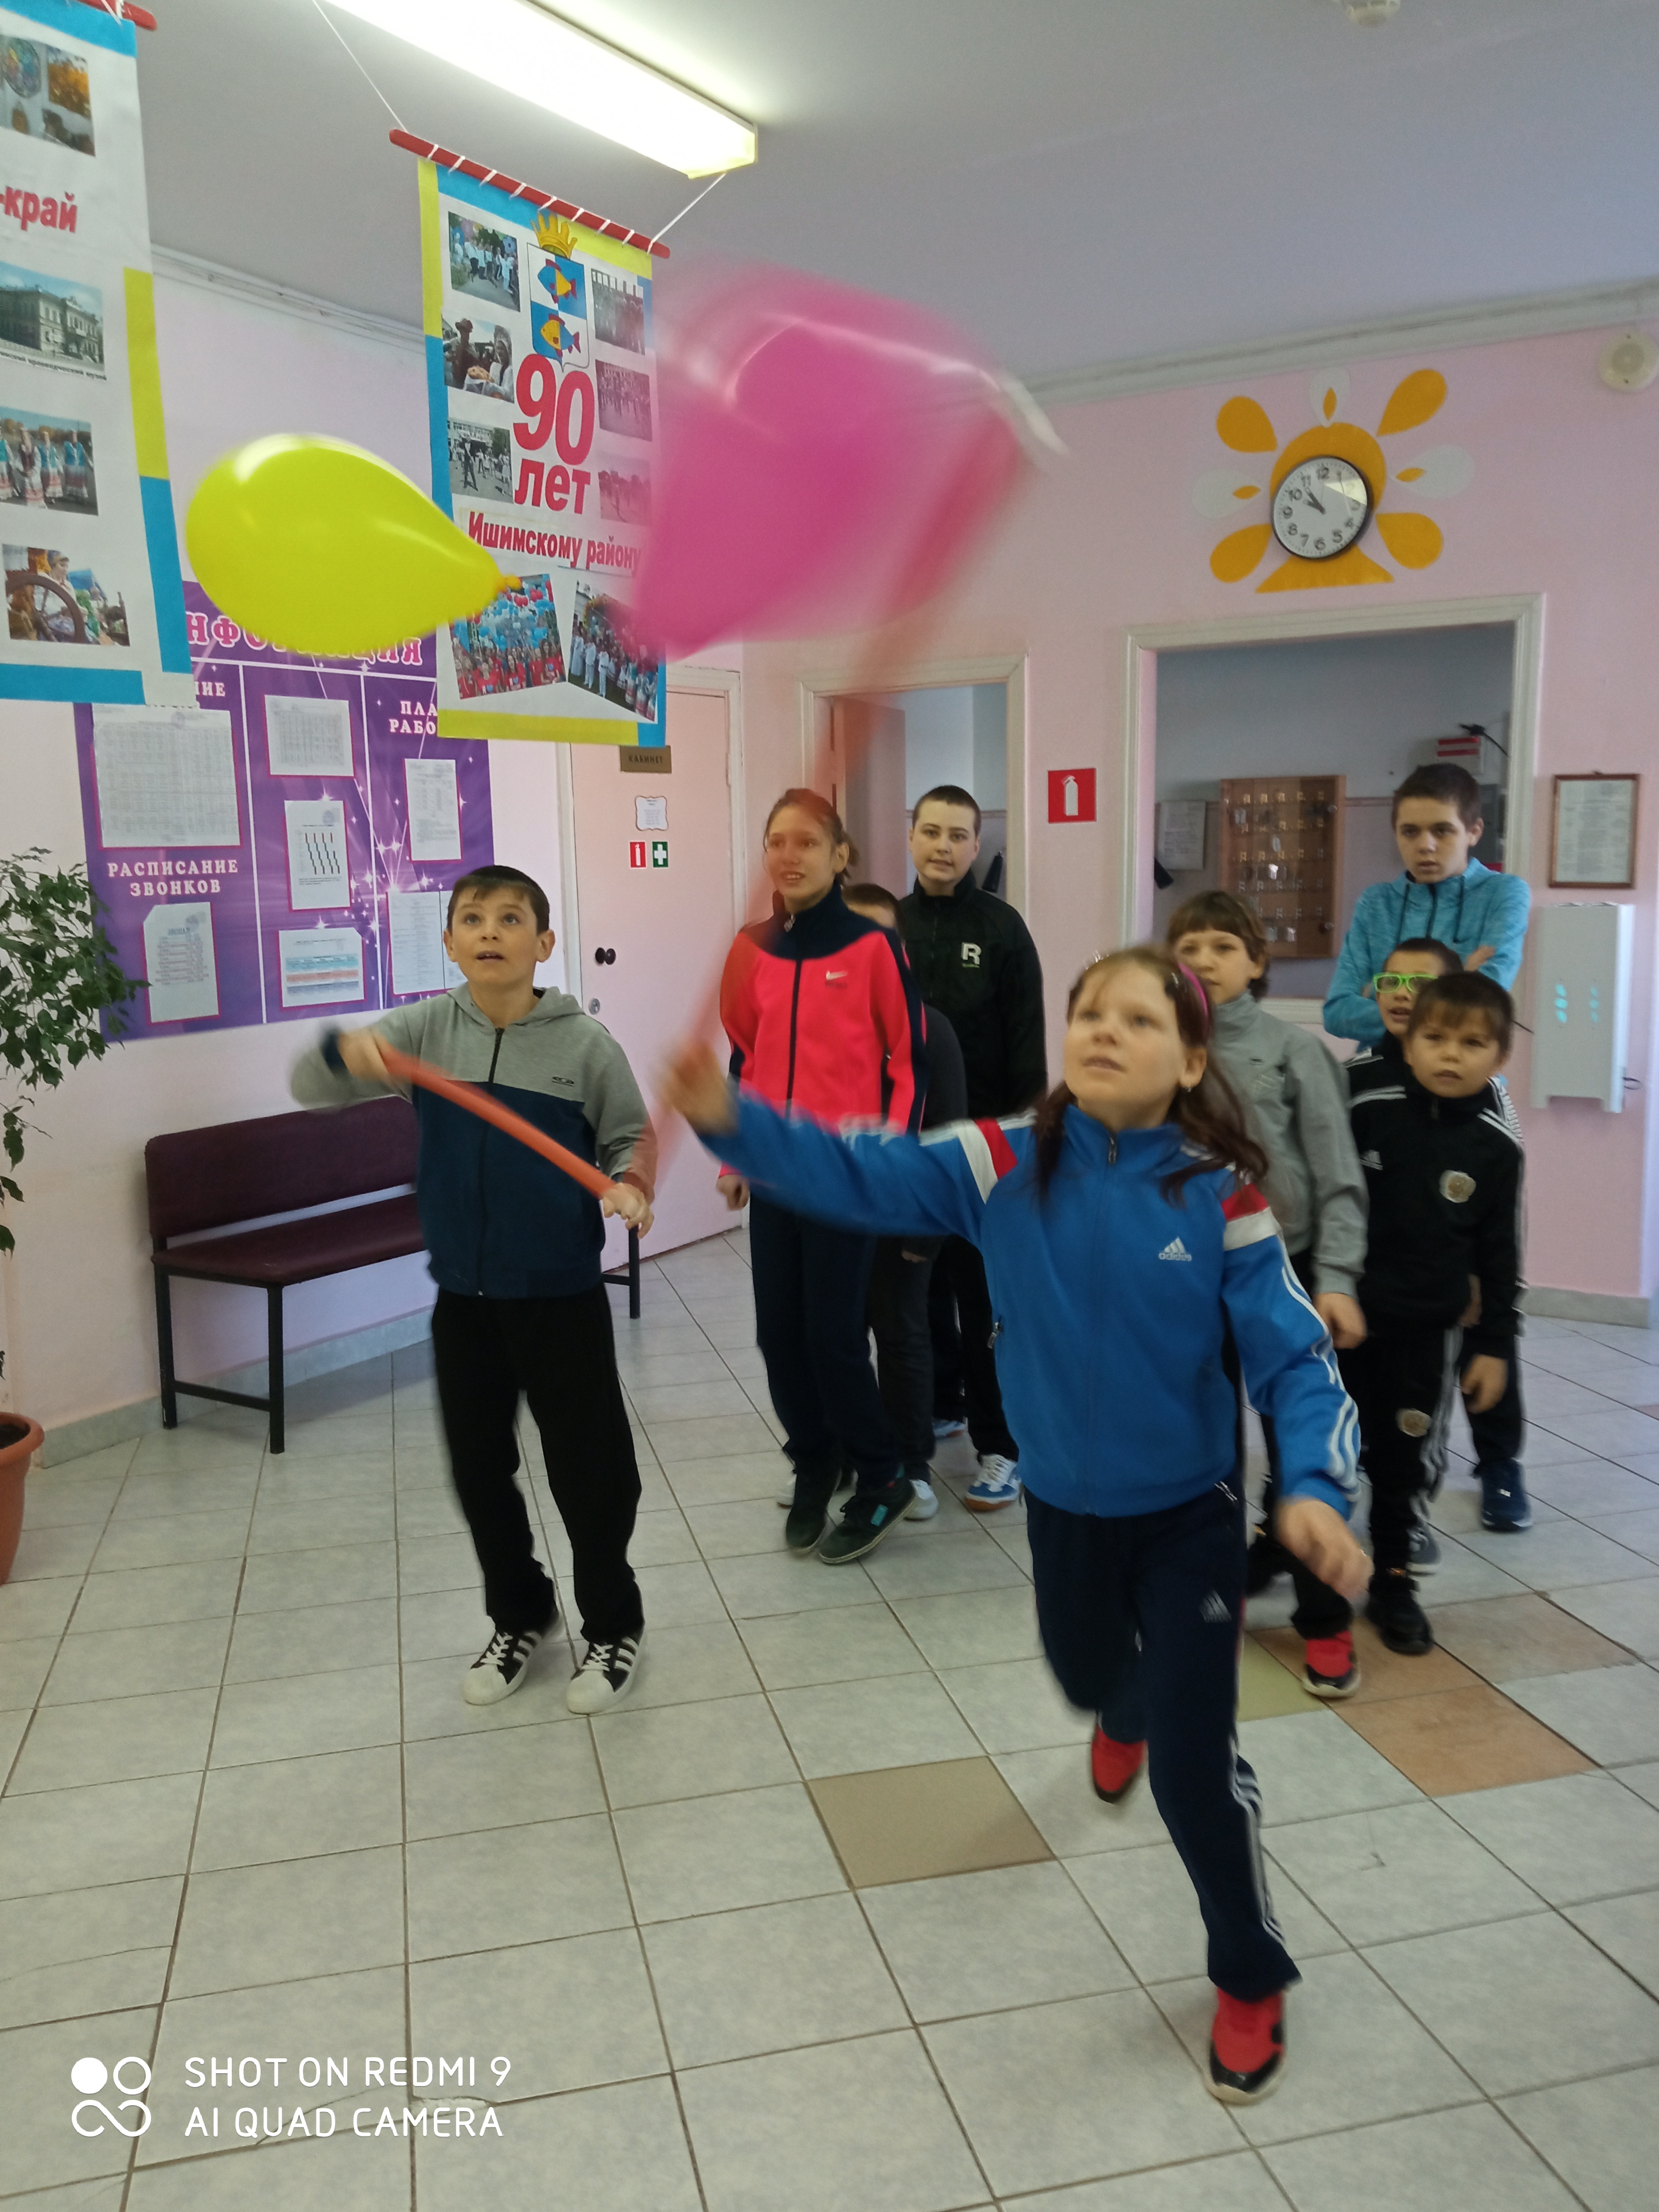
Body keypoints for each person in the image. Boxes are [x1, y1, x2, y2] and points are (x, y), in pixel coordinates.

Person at [663, 944, 1367, 2106]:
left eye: (1138, 1020)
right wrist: (736, 1123)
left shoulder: (1221, 1193)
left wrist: (1315, 1491)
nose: (1104, 1031)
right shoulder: (996, 1161)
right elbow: (862, 1171)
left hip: (1190, 1518)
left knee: (1198, 1772)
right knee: (1089, 1676)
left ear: (1192, 1060)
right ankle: (1126, 1708)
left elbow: (1297, 1362)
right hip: (1065, 1510)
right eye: (1090, 1013)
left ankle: (1249, 1970)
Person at [290, 864, 657, 1712]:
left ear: (544, 942)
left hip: (560, 1295)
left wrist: (630, 1182)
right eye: (473, 919)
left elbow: (629, 1136)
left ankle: (613, 1626)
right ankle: (521, 1612)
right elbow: (313, 1088)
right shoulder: (423, 1030)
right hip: (465, 1297)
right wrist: (341, 1054)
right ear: (451, 943)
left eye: (511, 918)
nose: (491, 931)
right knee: (479, 1473)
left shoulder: (584, 1045)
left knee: (591, 1475)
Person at [717, 791, 927, 1563]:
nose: (789, 855)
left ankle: (882, 1474)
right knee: (778, 1334)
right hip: (777, 1172)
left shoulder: (875, 946)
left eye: (807, 842)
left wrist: (891, 1157)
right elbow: (745, 1056)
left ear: (841, 855)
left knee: (833, 1335)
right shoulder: (751, 948)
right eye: (777, 841)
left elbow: (908, 1060)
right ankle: (814, 1462)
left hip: (847, 1172)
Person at [1169, 892, 1369, 1697]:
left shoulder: (1295, 1051)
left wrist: (1337, 1279)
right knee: (1207, 1452)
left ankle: (1325, 1618)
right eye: (1190, 946)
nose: (1205, 960)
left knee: (1299, 1448)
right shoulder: (1164, 1050)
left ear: (1257, 961)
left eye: (1224, 945)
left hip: (1288, 1271)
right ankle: (1216, 1596)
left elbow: (1338, 1177)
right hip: (1192, 1277)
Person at [1344, 971, 1523, 1656]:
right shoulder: (1369, 1109)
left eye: (1472, 1043)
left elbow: (1501, 1253)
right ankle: (1306, 1561)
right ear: (1409, 1042)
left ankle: (1392, 1576)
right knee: (1326, 1445)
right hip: (1345, 1321)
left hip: (1429, 1331)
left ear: (1500, 1056)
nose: (1451, 1054)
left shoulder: (1497, 1145)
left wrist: (1494, 1345)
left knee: (1407, 1455)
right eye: (1436, 1037)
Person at [898, 783, 1046, 1510]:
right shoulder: (886, 928)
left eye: (958, 835)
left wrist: (1022, 1153)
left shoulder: (1002, 928)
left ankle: (1002, 1446)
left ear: (976, 845)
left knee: (983, 1299)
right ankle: (940, 1404)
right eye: (932, 831)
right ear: (911, 836)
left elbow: (1027, 1048)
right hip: (908, 1151)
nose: (943, 846)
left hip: (986, 1153)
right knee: (916, 1290)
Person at [839, 881, 971, 1520]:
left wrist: (926, 1233)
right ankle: (845, 1456)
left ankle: (912, 1464)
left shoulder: (929, 1030)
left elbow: (947, 1137)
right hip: (832, 1215)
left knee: (900, 1335)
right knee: (835, 1339)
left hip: (902, 1218)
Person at [1323, 763, 1530, 1043]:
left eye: (1442, 831)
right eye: (1410, 832)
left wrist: (1375, 993)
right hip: (1378, 1067)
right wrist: (1458, 983)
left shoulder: (1504, 894)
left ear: (1474, 831)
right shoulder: (1376, 903)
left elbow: (1482, 1006)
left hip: (1458, 1066)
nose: (1425, 846)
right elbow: (1338, 1013)